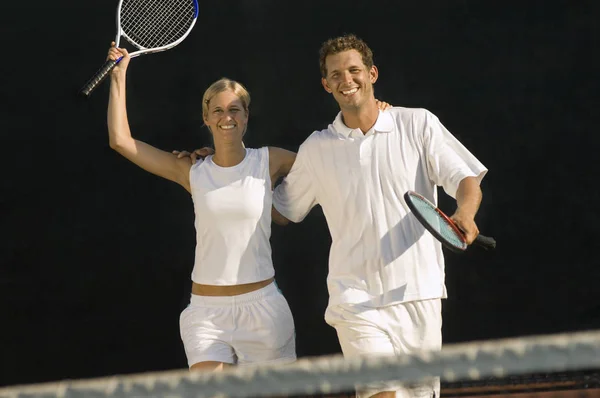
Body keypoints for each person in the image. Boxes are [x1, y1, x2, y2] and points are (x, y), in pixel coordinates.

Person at [270, 34, 488, 398]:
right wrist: (232, 170)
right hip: (354, 300)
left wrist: (465, 212)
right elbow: (282, 212)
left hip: (419, 294)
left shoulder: (417, 124)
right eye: (335, 74)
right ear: (326, 84)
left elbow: (465, 177)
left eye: (354, 70)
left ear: (372, 73)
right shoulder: (316, 149)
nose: (346, 80)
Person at [105, 42, 297, 371]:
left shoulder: (270, 160)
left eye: (235, 109)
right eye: (218, 111)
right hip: (206, 314)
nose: (227, 117)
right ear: (206, 119)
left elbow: (326, 166)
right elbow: (121, 140)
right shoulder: (192, 170)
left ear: (246, 116)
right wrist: (118, 75)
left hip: (263, 311)